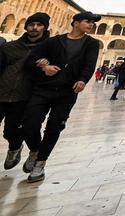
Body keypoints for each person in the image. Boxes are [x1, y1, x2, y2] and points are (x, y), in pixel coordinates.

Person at [22, 11, 101, 182]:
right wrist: (44, 67)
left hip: (67, 91)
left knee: (54, 127)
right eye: (87, 21)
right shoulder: (54, 41)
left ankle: (40, 163)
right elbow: (31, 60)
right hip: (44, 88)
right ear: (75, 23)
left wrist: (82, 80)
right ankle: (35, 150)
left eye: (92, 23)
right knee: (29, 123)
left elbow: (89, 64)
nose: (91, 25)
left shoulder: (92, 44)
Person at [0, 12, 50, 170]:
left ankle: (16, 148)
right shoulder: (10, 47)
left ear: (45, 27)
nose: (34, 28)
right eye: (31, 24)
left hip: (24, 97)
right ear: (26, 26)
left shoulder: (50, 48)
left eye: (39, 25)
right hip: (2, 92)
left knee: (10, 131)